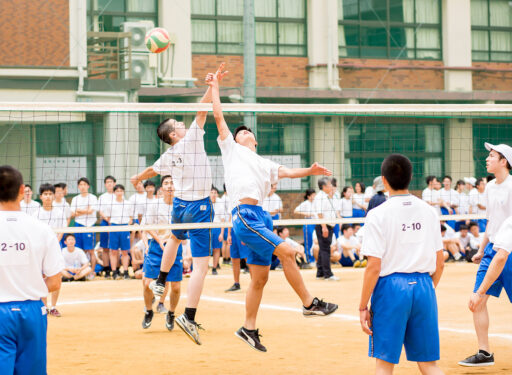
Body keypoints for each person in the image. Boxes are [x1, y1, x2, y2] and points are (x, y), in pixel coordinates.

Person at [207, 66, 338, 352]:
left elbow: (290, 174)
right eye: (238, 131)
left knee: (260, 279)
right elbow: (218, 116)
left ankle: (248, 328)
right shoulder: (231, 150)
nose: (240, 132)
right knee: (289, 251)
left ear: (253, 139)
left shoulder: (265, 163)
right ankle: (309, 304)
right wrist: (215, 86)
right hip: (244, 214)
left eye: (245, 131)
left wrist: (311, 170)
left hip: (261, 217)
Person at [130, 63, 227, 345]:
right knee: (201, 267)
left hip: (180, 205)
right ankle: (189, 316)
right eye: (178, 126)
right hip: (198, 206)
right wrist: (213, 85)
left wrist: (137, 176)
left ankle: (160, 278)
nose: (184, 126)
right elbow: (201, 110)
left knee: (174, 237)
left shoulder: (169, 155)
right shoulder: (190, 140)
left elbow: (151, 170)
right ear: (174, 135)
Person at [359, 154, 445, 375]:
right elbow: (440, 262)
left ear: (384, 181)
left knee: (384, 365)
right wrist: (426, 287)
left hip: (391, 288)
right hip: (425, 286)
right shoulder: (429, 211)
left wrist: (362, 306)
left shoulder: (377, 215)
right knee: (429, 365)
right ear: (410, 178)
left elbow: (374, 266)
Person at [0, 165, 64, 375]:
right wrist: (28, 287)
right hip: (32, 311)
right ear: (21, 190)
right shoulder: (42, 229)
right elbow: (55, 282)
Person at [459, 143, 512, 367]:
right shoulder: (490, 187)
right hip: (492, 250)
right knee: (477, 301)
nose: (487, 159)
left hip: (508, 251)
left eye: (492, 156)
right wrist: (482, 249)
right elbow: (492, 221)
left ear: (504, 162)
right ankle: (484, 353)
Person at [141, 175, 183, 331]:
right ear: (162, 188)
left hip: (175, 245)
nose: (170, 185)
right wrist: (160, 241)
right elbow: (146, 226)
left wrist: (174, 241)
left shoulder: (181, 205)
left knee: (176, 287)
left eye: (172, 183)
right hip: (156, 246)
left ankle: (171, 313)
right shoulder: (154, 205)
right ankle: (148, 311)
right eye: (166, 183)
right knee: (147, 284)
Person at [36, 183, 68, 317]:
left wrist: (54, 243)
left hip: (55, 246)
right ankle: (43, 306)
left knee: (56, 276)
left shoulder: (59, 212)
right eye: (45, 194)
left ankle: (53, 306)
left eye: (50, 194)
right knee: (41, 277)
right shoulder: (36, 213)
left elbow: (62, 230)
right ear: (41, 196)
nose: (48, 197)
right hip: (40, 248)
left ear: (54, 196)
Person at [313, 177, 341, 281]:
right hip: (323, 226)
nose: (331, 186)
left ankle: (320, 273)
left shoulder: (326, 196)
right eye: (329, 185)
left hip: (327, 225)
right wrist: (324, 227)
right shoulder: (320, 197)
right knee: (325, 250)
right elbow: (320, 214)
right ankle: (328, 274)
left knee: (323, 249)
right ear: (324, 186)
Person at [70, 177, 98, 274]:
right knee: (79, 250)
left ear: (88, 186)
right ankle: (80, 272)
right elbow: (72, 214)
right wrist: (86, 211)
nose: (82, 187)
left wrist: (79, 210)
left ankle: (92, 272)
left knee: (91, 250)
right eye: (81, 185)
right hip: (78, 225)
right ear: (78, 186)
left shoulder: (93, 197)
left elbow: (91, 211)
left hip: (89, 225)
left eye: (84, 185)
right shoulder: (75, 199)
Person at [108, 184, 134, 280]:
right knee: (113, 251)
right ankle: (114, 272)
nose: (119, 193)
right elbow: (108, 217)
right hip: (114, 227)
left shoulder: (128, 203)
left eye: (121, 191)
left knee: (125, 251)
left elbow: (131, 217)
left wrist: (128, 226)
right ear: (114, 192)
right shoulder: (111, 204)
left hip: (124, 227)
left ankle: (126, 272)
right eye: (117, 191)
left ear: (123, 192)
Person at [98, 176, 116, 278]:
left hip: (116, 223)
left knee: (114, 248)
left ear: (114, 183)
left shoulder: (118, 195)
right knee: (105, 247)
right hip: (105, 222)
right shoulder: (102, 197)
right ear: (105, 184)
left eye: (111, 182)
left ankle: (115, 269)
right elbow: (100, 211)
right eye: (107, 182)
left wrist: (113, 221)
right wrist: (108, 220)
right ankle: (106, 269)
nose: (109, 184)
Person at [294, 188, 317, 264]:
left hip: (317, 222)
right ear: (308, 196)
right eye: (313, 195)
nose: (314, 196)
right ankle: (309, 259)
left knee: (316, 242)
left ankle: (315, 258)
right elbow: (295, 211)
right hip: (308, 223)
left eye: (315, 194)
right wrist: (306, 214)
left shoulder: (316, 202)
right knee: (308, 241)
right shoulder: (305, 203)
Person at [210, 186, 225, 275]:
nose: (213, 194)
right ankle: (204, 267)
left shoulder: (220, 202)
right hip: (207, 228)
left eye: (215, 193)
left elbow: (223, 219)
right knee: (206, 249)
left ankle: (214, 268)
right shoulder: (206, 202)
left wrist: (222, 233)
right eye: (212, 192)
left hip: (217, 227)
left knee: (216, 249)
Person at [53, 183, 72, 248]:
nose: (60, 193)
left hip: (63, 231)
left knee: (64, 249)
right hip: (54, 231)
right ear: (54, 193)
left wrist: (64, 229)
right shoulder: (51, 204)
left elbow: (68, 218)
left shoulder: (66, 204)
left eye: (61, 191)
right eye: (57, 192)